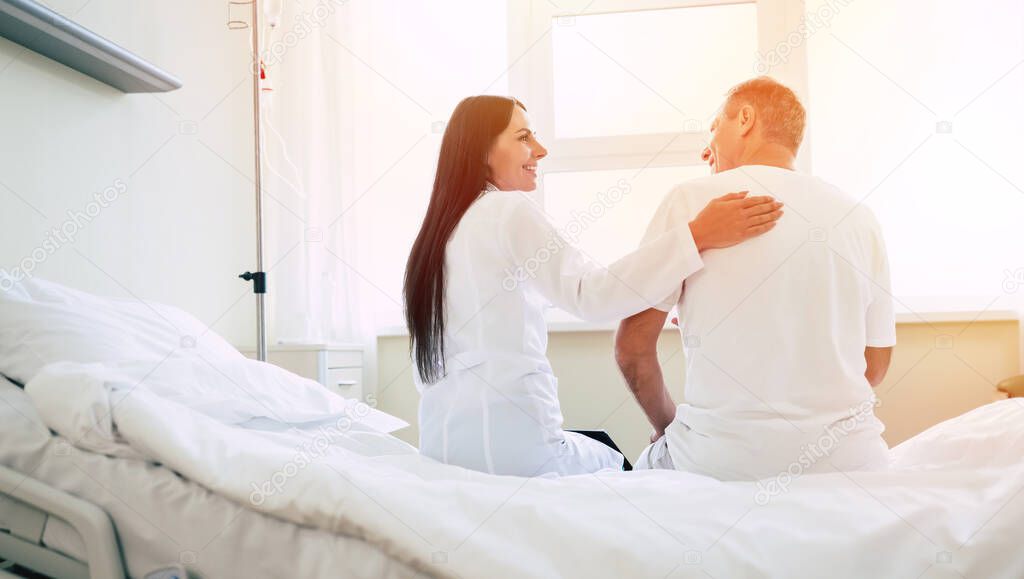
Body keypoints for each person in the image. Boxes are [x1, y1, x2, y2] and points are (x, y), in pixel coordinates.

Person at [404, 95, 784, 476]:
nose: (540, 149)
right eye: (523, 137)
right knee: (615, 460)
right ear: (482, 149)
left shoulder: (435, 238)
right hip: (510, 449)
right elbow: (591, 294)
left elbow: (516, 303)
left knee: (597, 439)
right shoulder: (507, 210)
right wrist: (697, 235)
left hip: (444, 448)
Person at [616, 77, 895, 481]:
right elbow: (876, 364)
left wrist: (667, 428)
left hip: (719, 462)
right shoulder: (860, 216)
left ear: (744, 119)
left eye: (713, 128)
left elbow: (631, 349)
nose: (704, 148)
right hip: (851, 462)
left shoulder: (692, 201)